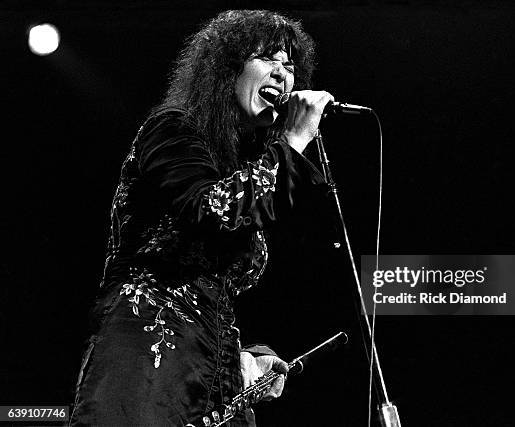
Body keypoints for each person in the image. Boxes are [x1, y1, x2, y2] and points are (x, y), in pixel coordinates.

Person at [70, 9, 334, 426]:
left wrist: (244, 360)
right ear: (227, 69)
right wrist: (292, 141)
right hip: (148, 362)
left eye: (290, 65)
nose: (284, 73)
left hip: (213, 374)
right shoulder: (172, 129)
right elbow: (214, 210)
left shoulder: (241, 166)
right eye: (268, 58)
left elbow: (213, 290)